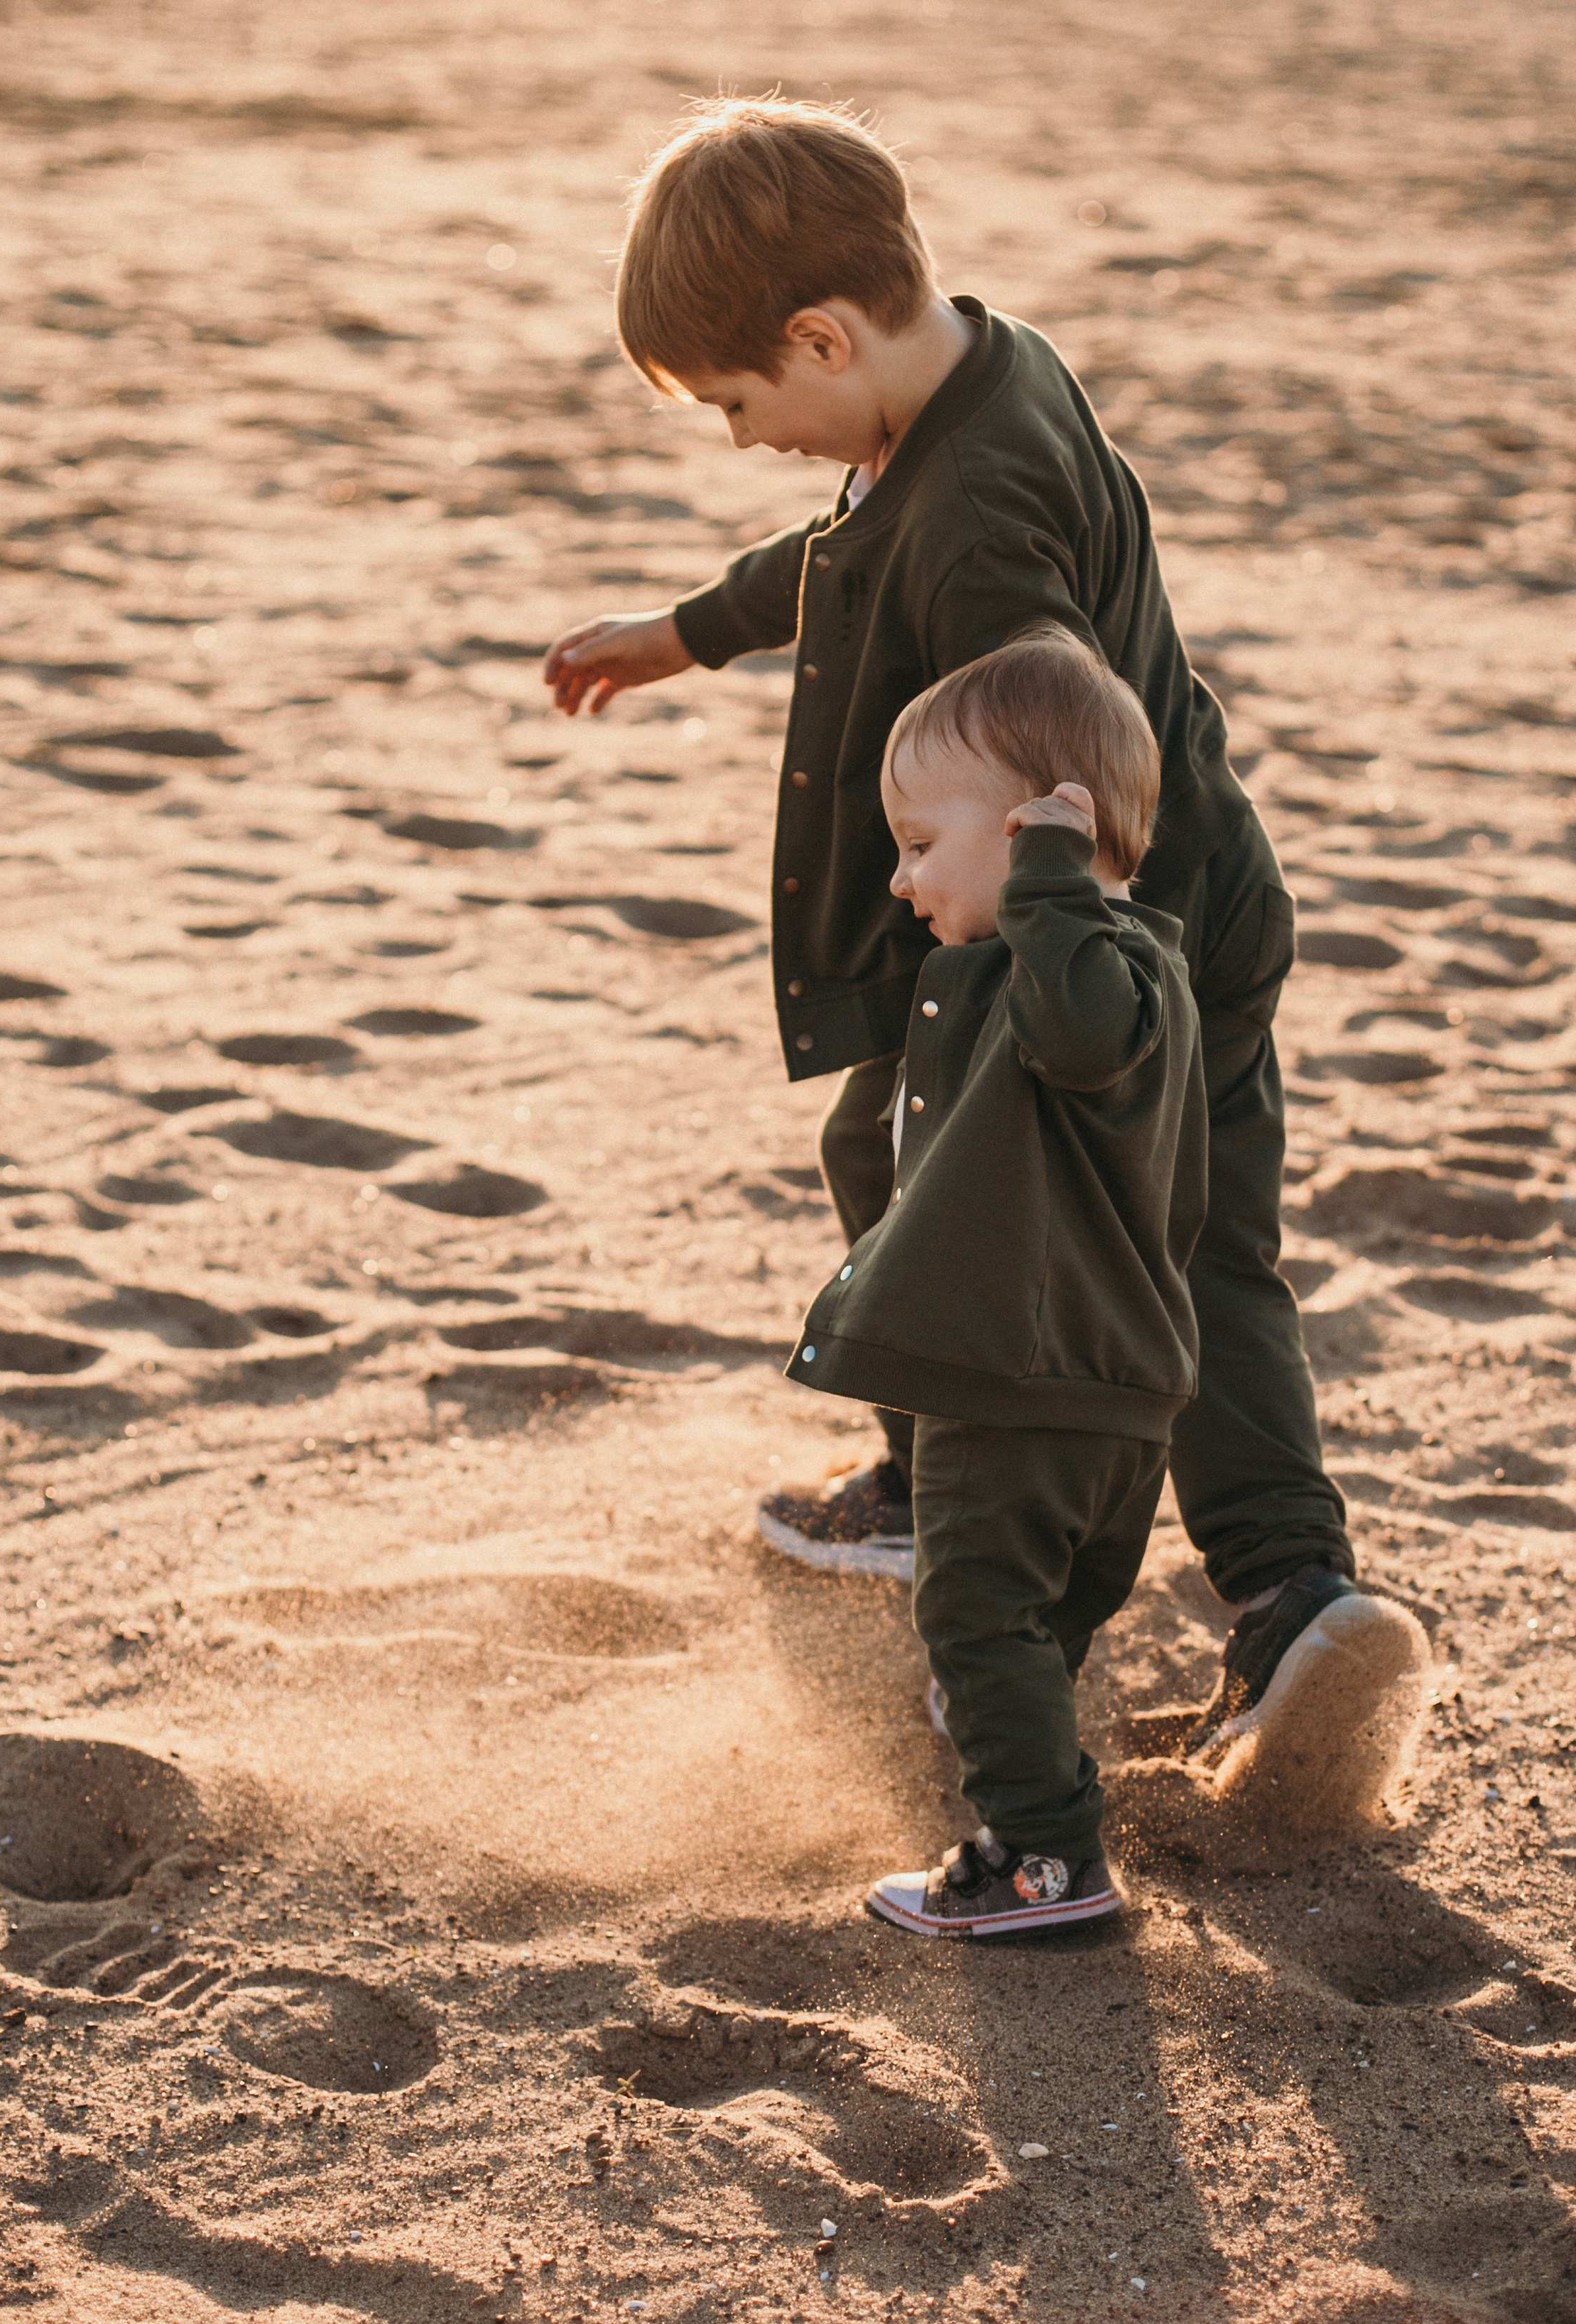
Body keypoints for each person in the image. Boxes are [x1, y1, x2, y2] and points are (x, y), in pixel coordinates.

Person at [542, 95, 1395, 1776]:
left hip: (1104, 938)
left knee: (1099, 1228)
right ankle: (1278, 1594)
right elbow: (850, 548)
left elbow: (1049, 740)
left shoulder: (983, 508)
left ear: (818, 334)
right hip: (1179, 897)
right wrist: (686, 633)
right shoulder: (975, 379)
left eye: (734, 402)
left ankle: (1146, 1563)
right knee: (1065, 1196)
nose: (732, 437)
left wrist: (1050, 971)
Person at [785, 630, 1198, 1932]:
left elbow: (1075, 1036)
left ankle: (1043, 1861)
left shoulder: (1095, 973)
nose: (902, 880)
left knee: (967, 1600)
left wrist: (1051, 887)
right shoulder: (1123, 970)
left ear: (1037, 837)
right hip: (1099, 1389)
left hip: (1022, 1385)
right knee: (1018, 1625)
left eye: (921, 845)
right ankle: (1021, 1761)